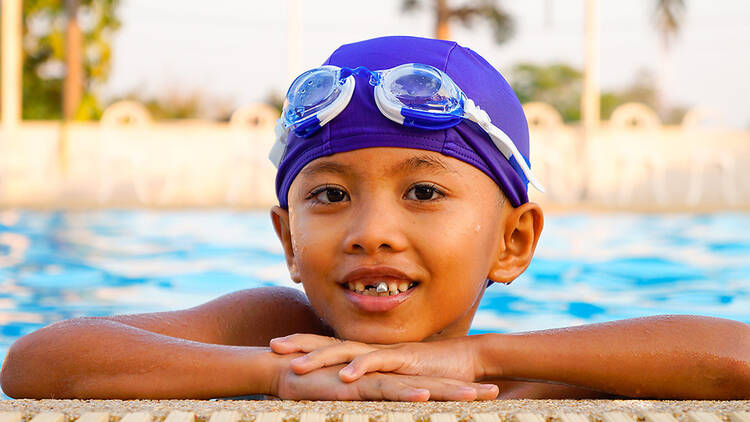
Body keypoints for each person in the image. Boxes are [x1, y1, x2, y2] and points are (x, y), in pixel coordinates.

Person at [1, 36, 748, 401]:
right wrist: (274, 375)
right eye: (328, 196)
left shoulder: (531, 377)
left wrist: (481, 359)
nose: (371, 230)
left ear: (513, 241)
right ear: (288, 240)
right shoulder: (274, 330)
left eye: (423, 193)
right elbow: (36, 364)